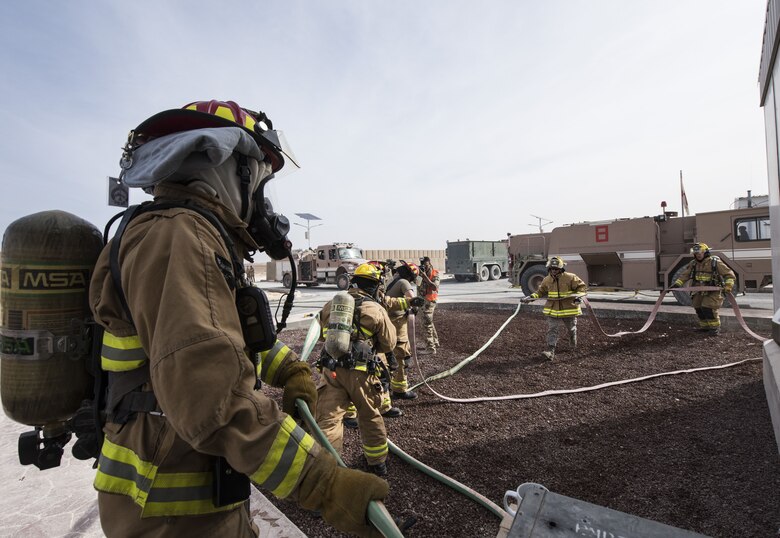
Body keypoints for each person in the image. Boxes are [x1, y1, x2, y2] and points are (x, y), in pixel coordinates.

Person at [89, 100, 387, 537]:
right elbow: (211, 393)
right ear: (226, 166)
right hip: (171, 506)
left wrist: (289, 368)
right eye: (261, 184)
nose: (263, 205)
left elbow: (219, 337)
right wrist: (322, 483)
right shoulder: (179, 236)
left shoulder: (183, 231)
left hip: (175, 487)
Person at [315, 263, 397, 476]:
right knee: (369, 415)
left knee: (329, 420)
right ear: (373, 287)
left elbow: (323, 336)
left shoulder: (332, 304)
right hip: (361, 373)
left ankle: (328, 471)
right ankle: (377, 462)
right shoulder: (375, 309)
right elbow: (389, 344)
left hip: (331, 371)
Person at [521, 256, 587, 360]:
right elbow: (540, 292)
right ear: (549, 269)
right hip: (553, 310)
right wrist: (530, 298)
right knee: (552, 329)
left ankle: (572, 338)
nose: (554, 271)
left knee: (571, 328)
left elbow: (582, 287)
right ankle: (550, 351)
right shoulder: (546, 280)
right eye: (552, 268)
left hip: (569, 309)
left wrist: (578, 298)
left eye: (556, 269)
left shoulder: (571, 277)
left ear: (561, 269)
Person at [671, 242, 736, 335]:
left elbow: (729, 275)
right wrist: (677, 284)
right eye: (696, 254)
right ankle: (705, 327)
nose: (698, 255)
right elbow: (685, 275)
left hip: (713, 291)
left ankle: (714, 328)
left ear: (705, 252)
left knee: (708, 308)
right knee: (698, 307)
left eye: (700, 253)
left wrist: (728, 285)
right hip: (698, 291)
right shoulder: (693, 264)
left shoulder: (715, 262)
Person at [384, 261, 422, 399]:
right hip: (398, 325)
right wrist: (414, 309)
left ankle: (386, 387)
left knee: (387, 354)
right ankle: (400, 390)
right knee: (402, 355)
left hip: (386, 324)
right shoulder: (404, 283)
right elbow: (413, 300)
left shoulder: (391, 280)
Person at [417, 256, 441, 355]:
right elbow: (417, 284)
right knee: (428, 322)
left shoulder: (435, 273)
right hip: (422, 301)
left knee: (426, 324)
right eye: (422, 265)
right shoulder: (420, 273)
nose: (424, 267)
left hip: (430, 302)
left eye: (426, 265)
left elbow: (434, 287)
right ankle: (435, 341)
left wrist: (424, 276)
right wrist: (418, 275)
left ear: (429, 263)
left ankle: (431, 348)